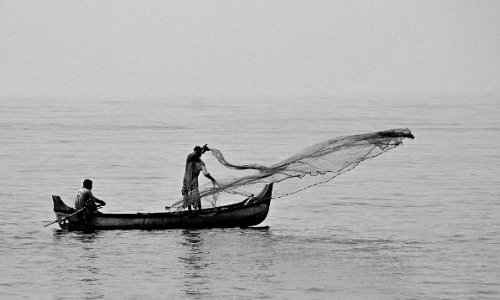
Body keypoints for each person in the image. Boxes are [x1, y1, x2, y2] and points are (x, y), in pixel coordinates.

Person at [182, 144, 217, 211]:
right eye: (198, 152)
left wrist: (212, 179)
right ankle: (190, 212)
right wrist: (202, 149)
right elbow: (195, 153)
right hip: (186, 181)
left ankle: (199, 211)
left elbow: (205, 173)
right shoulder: (189, 158)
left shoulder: (201, 163)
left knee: (196, 197)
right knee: (188, 197)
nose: (198, 154)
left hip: (193, 182)